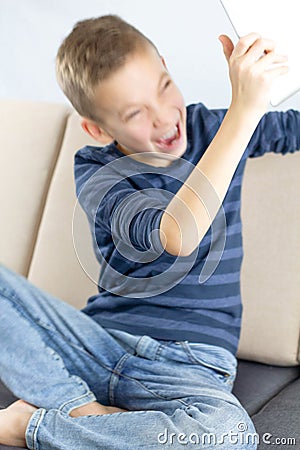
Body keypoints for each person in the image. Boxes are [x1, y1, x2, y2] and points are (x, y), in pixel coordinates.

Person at [0, 14, 298, 450]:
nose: (163, 119)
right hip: (95, 345)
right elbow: (176, 233)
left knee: (228, 435)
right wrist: (245, 109)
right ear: (98, 129)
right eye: (136, 113)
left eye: (163, 86)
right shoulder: (98, 171)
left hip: (190, 370)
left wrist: (258, 87)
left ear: (166, 65)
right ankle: (80, 408)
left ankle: (39, 425)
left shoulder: (213, 129)